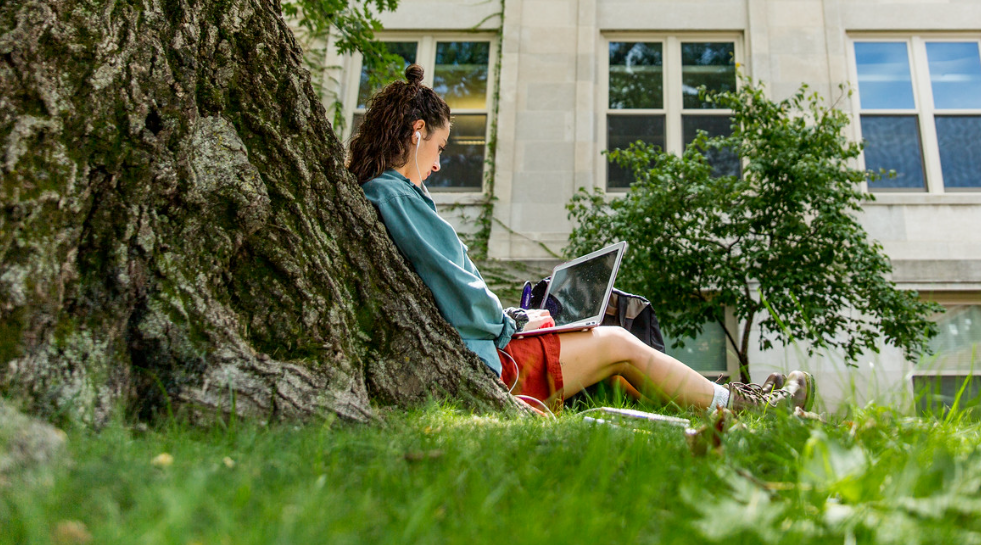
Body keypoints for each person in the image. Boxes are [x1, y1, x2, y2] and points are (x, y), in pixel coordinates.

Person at [349, 64, 814, 415]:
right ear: (417, 134)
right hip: (496, 363)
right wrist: (513, 322)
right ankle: (746, 408)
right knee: (617, 342)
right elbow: (456, 289)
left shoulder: (390, 195)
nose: (437, 163)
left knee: (613, 356)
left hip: (491, 350)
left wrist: (516, 317)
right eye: (439, 148)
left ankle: (728, 412)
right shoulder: (396, 196)